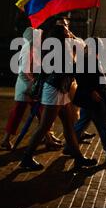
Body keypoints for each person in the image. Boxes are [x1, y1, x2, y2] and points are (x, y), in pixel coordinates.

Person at [19, 24, 97, 170]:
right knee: (44, 127)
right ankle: (26, 158)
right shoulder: (57, 50)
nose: (70, 33)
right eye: (67, 32)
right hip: (54, 90)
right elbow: (70, 67)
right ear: (60, 36)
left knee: (68, 126)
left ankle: (78, 158)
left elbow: (81, 46)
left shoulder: (63, 47)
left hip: (62, 90)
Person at [64, 37, 106, 165]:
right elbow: (81, 77)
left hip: (91, 98)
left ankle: (69, 146)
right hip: (94, 99)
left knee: (82, 123)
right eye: (100, 45)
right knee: (104, 127)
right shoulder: (87, 59)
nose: (102, 47)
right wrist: (91, 90)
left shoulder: (91, 58)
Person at [0, 27, 61, 150]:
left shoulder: (32, 49)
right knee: (32, 113)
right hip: (28, 88)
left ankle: (47, 138)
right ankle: (6, 140)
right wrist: (34, 83)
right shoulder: (29, 50)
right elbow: (24, 72)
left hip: (28, 87)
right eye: (38, 36)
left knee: (36, 113)